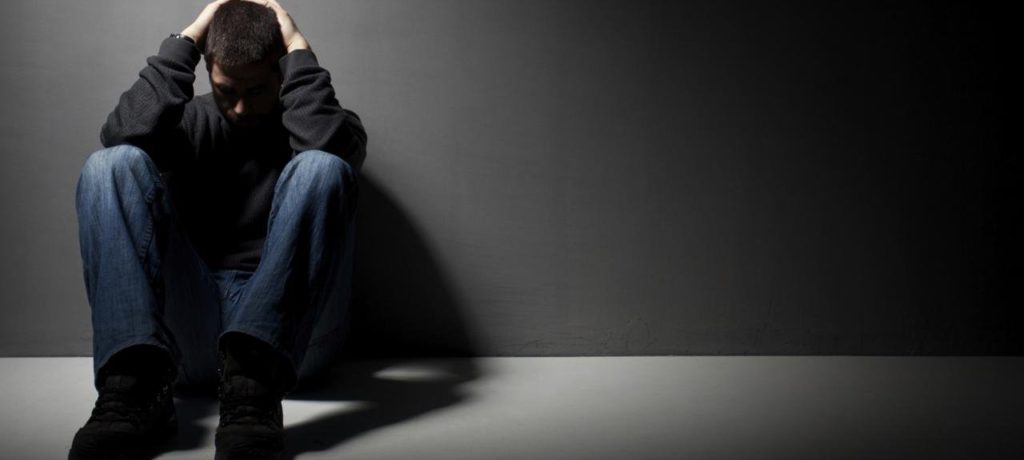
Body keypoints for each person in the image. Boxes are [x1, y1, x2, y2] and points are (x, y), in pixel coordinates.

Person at [69, 0, 366, 458]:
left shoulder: (330, 122)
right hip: (190, 334)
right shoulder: (185, 123)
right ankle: (133, 388)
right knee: (110, 164)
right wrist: (187, 40)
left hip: (291, 344)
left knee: (323, 166)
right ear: (208, 71)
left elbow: (331, 154)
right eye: (227, 91)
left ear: (282, 72)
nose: (241, 107)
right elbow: (120, 136)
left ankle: (254, 390)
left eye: (258, 90)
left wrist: (298, 50)